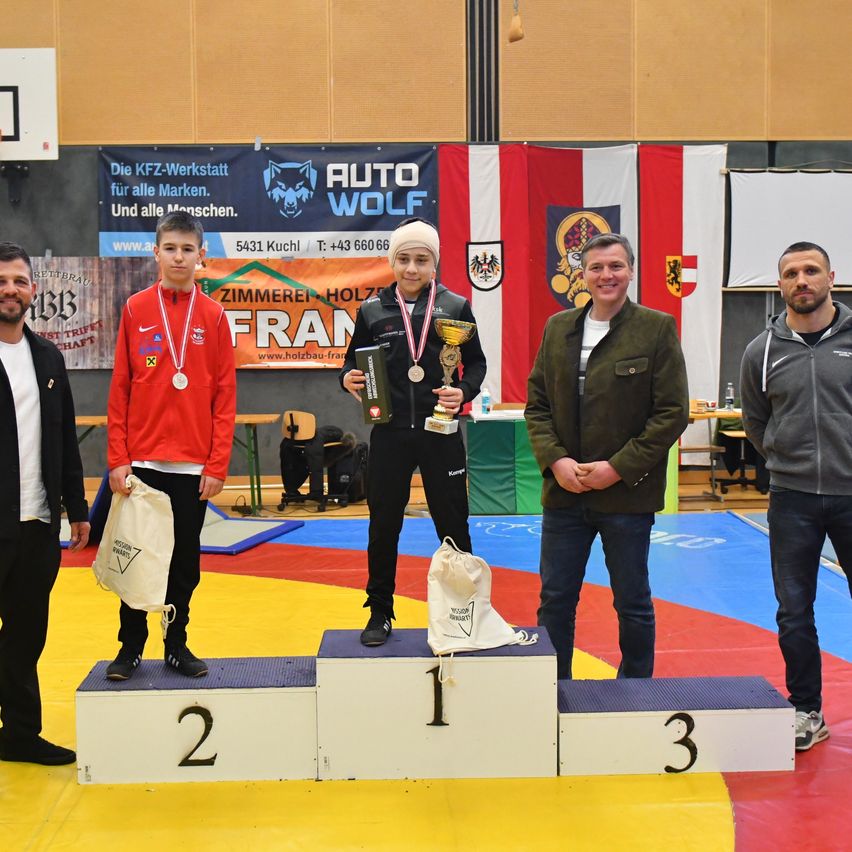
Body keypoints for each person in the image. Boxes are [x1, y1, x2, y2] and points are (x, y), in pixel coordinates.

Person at [525, 233, 688, 680]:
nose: (606, 275)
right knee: (555, 600)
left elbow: (672, 413)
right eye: (596, 268)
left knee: (632, 600)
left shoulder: (656, 328)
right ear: (582, 275)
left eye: (615, 266)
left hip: (626, 498)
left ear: (631, 271)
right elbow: (537, 404)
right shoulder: (557, 328)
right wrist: (556, 462)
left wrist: (617, 468)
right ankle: (553, 688)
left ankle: (635, 691)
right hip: (564, 495)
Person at [340, 218, 487, 646]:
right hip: (388, 435)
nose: (411, 268)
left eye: (421, 260)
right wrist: (346, 379)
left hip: (440, 433)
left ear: (433, 263)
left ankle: (462, 611)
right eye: (403, 259)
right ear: (392, 261)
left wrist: (461, 391)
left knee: (453, 523)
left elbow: (475, 364)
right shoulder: (372, 310)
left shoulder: (456, 306)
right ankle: (380, 610)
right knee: (383, 524)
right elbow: (352, 364)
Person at [106, 211, 236, 680]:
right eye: (170, 248)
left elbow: (225, 395)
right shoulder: (135, 309)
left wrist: (217, 464)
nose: (179, 256)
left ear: (202, 256)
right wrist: (118, 459)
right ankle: (130, 647)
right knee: (136, 557)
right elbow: (120, 388)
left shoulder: (215, 316)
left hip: (192, 466)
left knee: (183, 563)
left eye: (187, 248)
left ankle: (176, 644)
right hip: (141, 462)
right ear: (155, 252)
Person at [740, 240, 852, 751]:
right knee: (793, 609)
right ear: (779, 283)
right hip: (793, 500)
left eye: (811, 270)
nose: (801, 280)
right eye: (791, 273)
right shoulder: (760, 352)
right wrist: (789, 462)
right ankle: (807, 709)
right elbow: (756, 423)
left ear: (832, 277)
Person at [0, 242, 90, 765]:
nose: (11, 290)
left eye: (19, 280)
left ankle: (19, 734)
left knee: (27, 633)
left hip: (37, 524)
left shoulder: (48, 357)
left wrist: (76, 508)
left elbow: (62, 437)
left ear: (34, 289)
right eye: (2, 280)